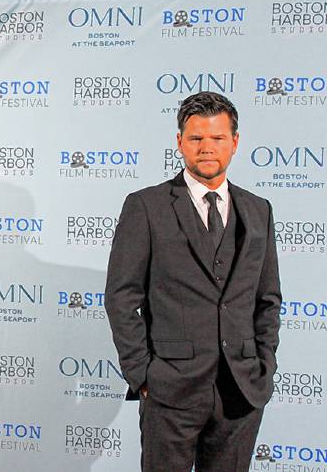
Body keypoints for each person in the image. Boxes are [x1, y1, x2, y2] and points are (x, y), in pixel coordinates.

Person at [105, 91, 281, 472]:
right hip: (170, 390)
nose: (206, 148)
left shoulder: (258, 209)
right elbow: (121, 297)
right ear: (180, 142)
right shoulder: (146, 206)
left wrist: (263, 364)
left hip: (241, 391)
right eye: (196, 138)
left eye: (217, 138)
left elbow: (268, 299)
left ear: (235, 142)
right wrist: (144, 376)